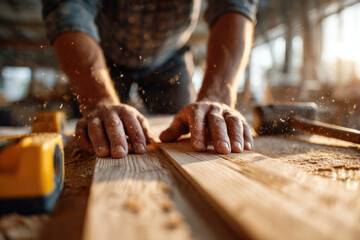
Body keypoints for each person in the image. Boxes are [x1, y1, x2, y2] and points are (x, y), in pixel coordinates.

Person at [42, 0, 258, 158]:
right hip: (102, 56)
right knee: (98, 129)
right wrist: (98, 99)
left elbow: (235, 6)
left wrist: (217, 95)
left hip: (169, 57)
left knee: (195, 126)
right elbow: (69, 10)